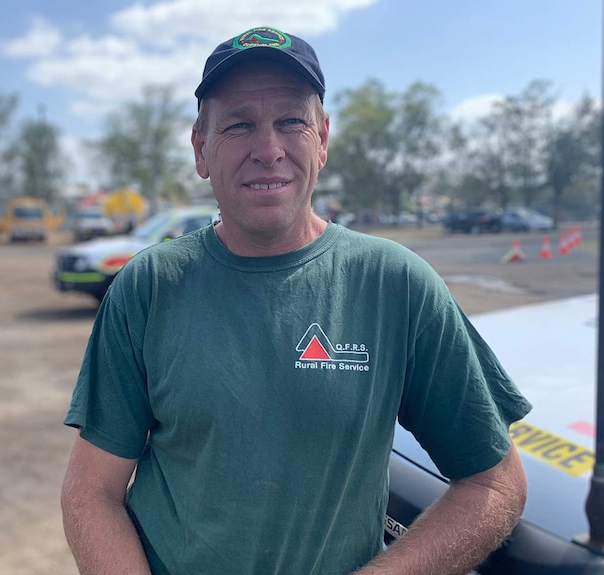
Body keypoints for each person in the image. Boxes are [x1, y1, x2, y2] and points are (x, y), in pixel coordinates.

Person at [61, 25, 532, 575]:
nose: (268, 149)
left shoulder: (396, 284)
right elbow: (92, 492)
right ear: (200, 150)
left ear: (323, 139)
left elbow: (495, 482)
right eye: (239, 125)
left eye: (291, 122)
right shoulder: (148, 287)